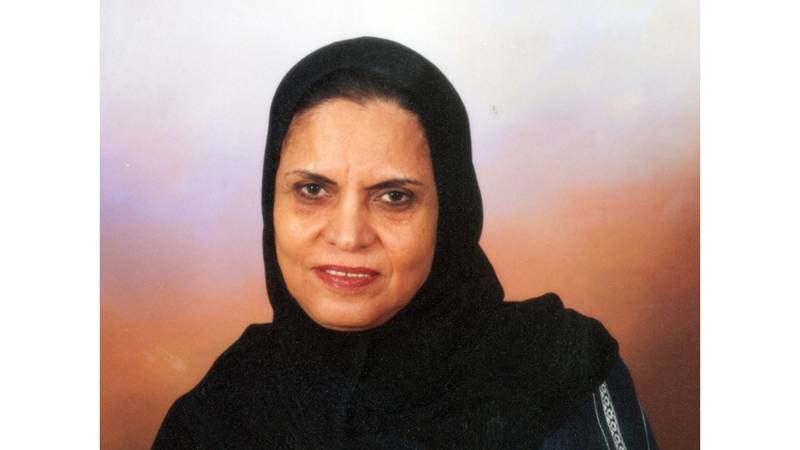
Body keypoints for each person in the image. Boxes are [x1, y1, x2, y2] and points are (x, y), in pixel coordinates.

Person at [154, 36, 657, 449]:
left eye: (394, 197)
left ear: (449, 214)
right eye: (312, 190)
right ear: (272, 201)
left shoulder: (558, 371)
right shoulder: (219, 412)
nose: (348, 235)